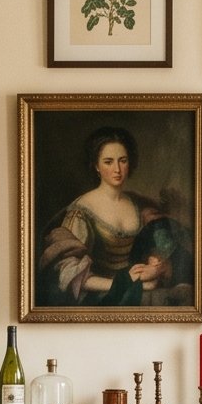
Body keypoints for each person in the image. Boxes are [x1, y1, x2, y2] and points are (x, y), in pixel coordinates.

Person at [39, 126, 184, 307]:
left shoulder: (139, 205)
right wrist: (125, 283)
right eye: (108, 162)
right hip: (102, 297)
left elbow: (161, 249)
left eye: (122, 160)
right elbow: (68, 273)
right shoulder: (81, 211)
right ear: (96, 166)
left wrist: (156, 267)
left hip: (139, 289)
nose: (117, 169)